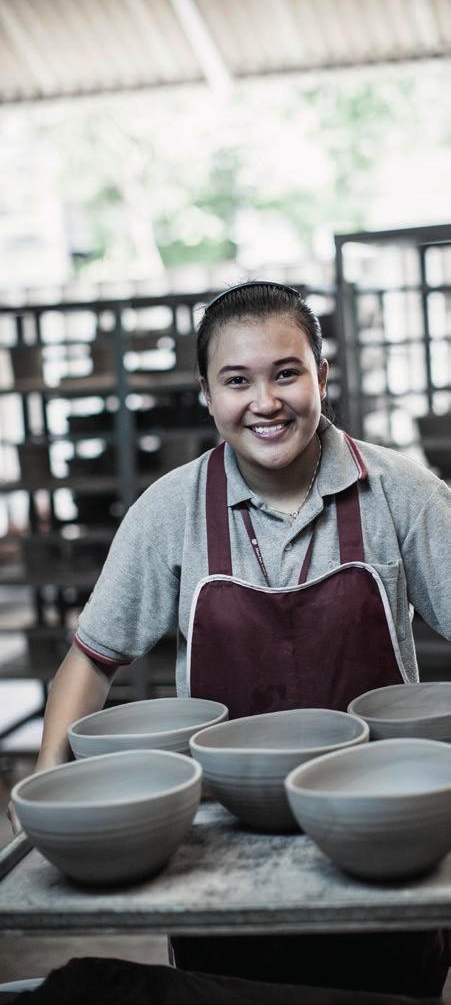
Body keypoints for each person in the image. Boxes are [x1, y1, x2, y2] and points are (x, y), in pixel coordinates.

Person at [12, 281, 451, 997]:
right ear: (207, 394)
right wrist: (44, 796)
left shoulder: (401, 493)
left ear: (320, 375)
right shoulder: (168, 510)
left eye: (286, 372)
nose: (265, 402)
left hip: (376, 837)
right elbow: (90, 660)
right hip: (216, 853)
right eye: (237, 380)